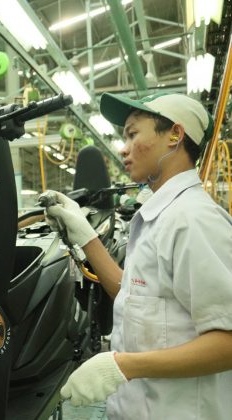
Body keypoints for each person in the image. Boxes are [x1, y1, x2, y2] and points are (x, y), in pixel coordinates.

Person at [44, 92, 232, 419]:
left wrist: (124, 366)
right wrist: (85, 236)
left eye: (132, 134)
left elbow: (227, 341)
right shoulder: (159, 216)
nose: (123, 148)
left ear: (174, 135)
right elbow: (134, 296)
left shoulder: (193, 220)